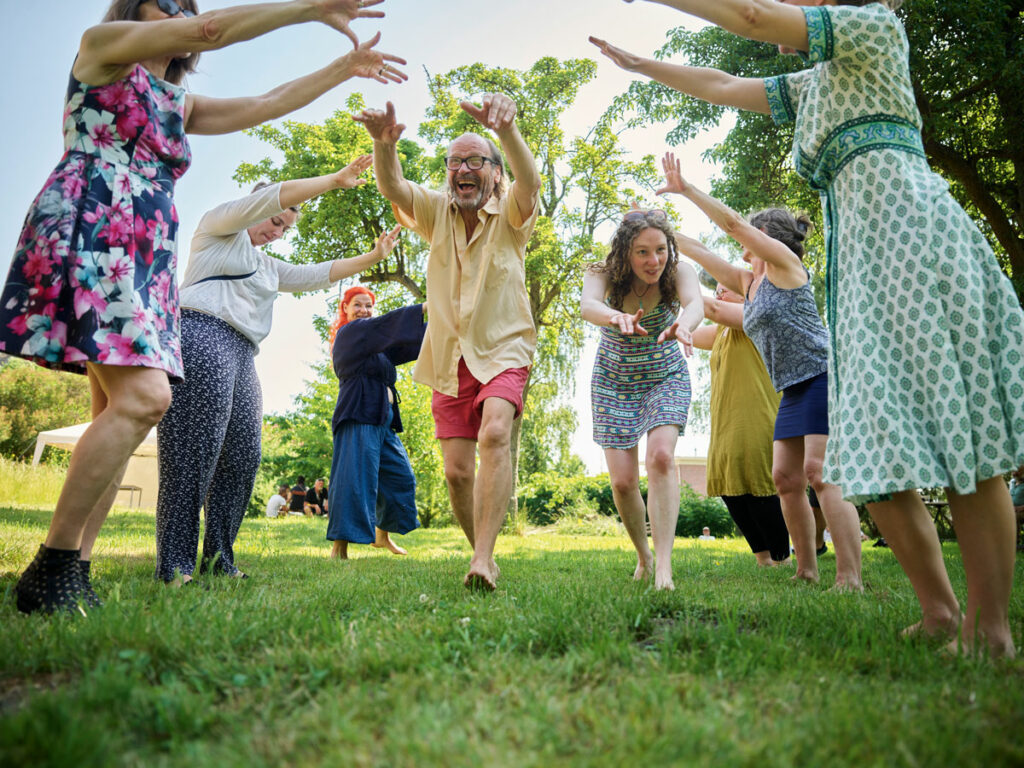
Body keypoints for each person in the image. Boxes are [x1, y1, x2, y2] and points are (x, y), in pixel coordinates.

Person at [595, 0, 1024, 657]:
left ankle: (989, 631)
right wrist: (641, 64)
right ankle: (940, 611)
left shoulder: (873, 29)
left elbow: (750, 16)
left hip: (916, 244)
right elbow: (721, 84)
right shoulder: (811, 84)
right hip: (861, 269)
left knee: (960, 432)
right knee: (871, 453)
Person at [2, 0, 402, 614]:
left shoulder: (178, 105)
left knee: (118, 414)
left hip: (144, 260)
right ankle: (55, 565)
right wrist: (312, 8)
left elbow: (270, 101)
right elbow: (209, 29)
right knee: (146, 402)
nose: (180, 13)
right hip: (95, 228)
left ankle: (74, 567)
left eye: (184, 7)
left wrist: (342, 68)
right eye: (167, 3)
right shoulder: (102, 49)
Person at [154, 161, 401, 583]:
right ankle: (174, 564)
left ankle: (218, 560)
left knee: (243, 456)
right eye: (275, 221)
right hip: (202, 331)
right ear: (256, 207)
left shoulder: (269, 266)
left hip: (243, 352)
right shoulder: (218, 230)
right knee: (194, 450)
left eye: (286, 229)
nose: (278, 232)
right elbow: (274, 197)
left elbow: (319, 274)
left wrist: (374, 256)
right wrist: (332, 182)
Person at [353, 94, 541, 591]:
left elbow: (530, 182)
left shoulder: (513, 214)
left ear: (495, 173)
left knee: (495, 433)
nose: (463, 169)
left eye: (475, 160)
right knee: (457, 472)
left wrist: (507, 131)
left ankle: (482, 559)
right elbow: (392, 186)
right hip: (449, 355)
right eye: (455, 162)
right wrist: (383, 145)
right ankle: (483, 553)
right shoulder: (436, 212)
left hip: (504, 348)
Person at [657, 152, 863, 590]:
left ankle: (850, 576)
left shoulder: (787, 267)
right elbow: (702, 259)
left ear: (764, 236)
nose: (741, 244)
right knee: (786, 479)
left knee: (819, 473)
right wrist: (657, 231)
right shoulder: (749, 284)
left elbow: (731, 225)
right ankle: (806, 569)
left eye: (750, 235)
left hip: (821, 376)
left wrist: (686, 189)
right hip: (792, 388)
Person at [581, 209, 703, 590]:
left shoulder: (678, 273)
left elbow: (695, 304)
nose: (654, 261)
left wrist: (685, 325)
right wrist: (613, 316)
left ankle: (664, 567)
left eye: (660, 250)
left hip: (664, 377)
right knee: (622, 482)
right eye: (643, 252)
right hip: (614, 381)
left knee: (661, 457)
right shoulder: (602, 273)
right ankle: (644, 556)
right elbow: (589, 305)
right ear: (625, 253)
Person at [325, 286, 426, 559]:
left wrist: (444, 323)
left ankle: (382, 536)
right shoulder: (349, 333)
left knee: (400, 477)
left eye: (368, 306)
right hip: (359, 414)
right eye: (358, 305)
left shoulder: (377, 346)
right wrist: (425, 308)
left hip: (383, 420)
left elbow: (409, 343)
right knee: (353, 481)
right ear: (345, 309)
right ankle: (339, 549)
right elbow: (386, 326)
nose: (364, 310)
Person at [695, 282, 790, 567]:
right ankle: (763, 558)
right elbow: (684, 331)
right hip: (726, 421)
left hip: (756, 415)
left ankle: (782, 557)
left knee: (759, 485)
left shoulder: (754, 318)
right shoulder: (721, 331)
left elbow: (711, 308)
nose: (719, 294)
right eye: (717, 291)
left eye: (725, 289)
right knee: (730, 488)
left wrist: (672, 284)